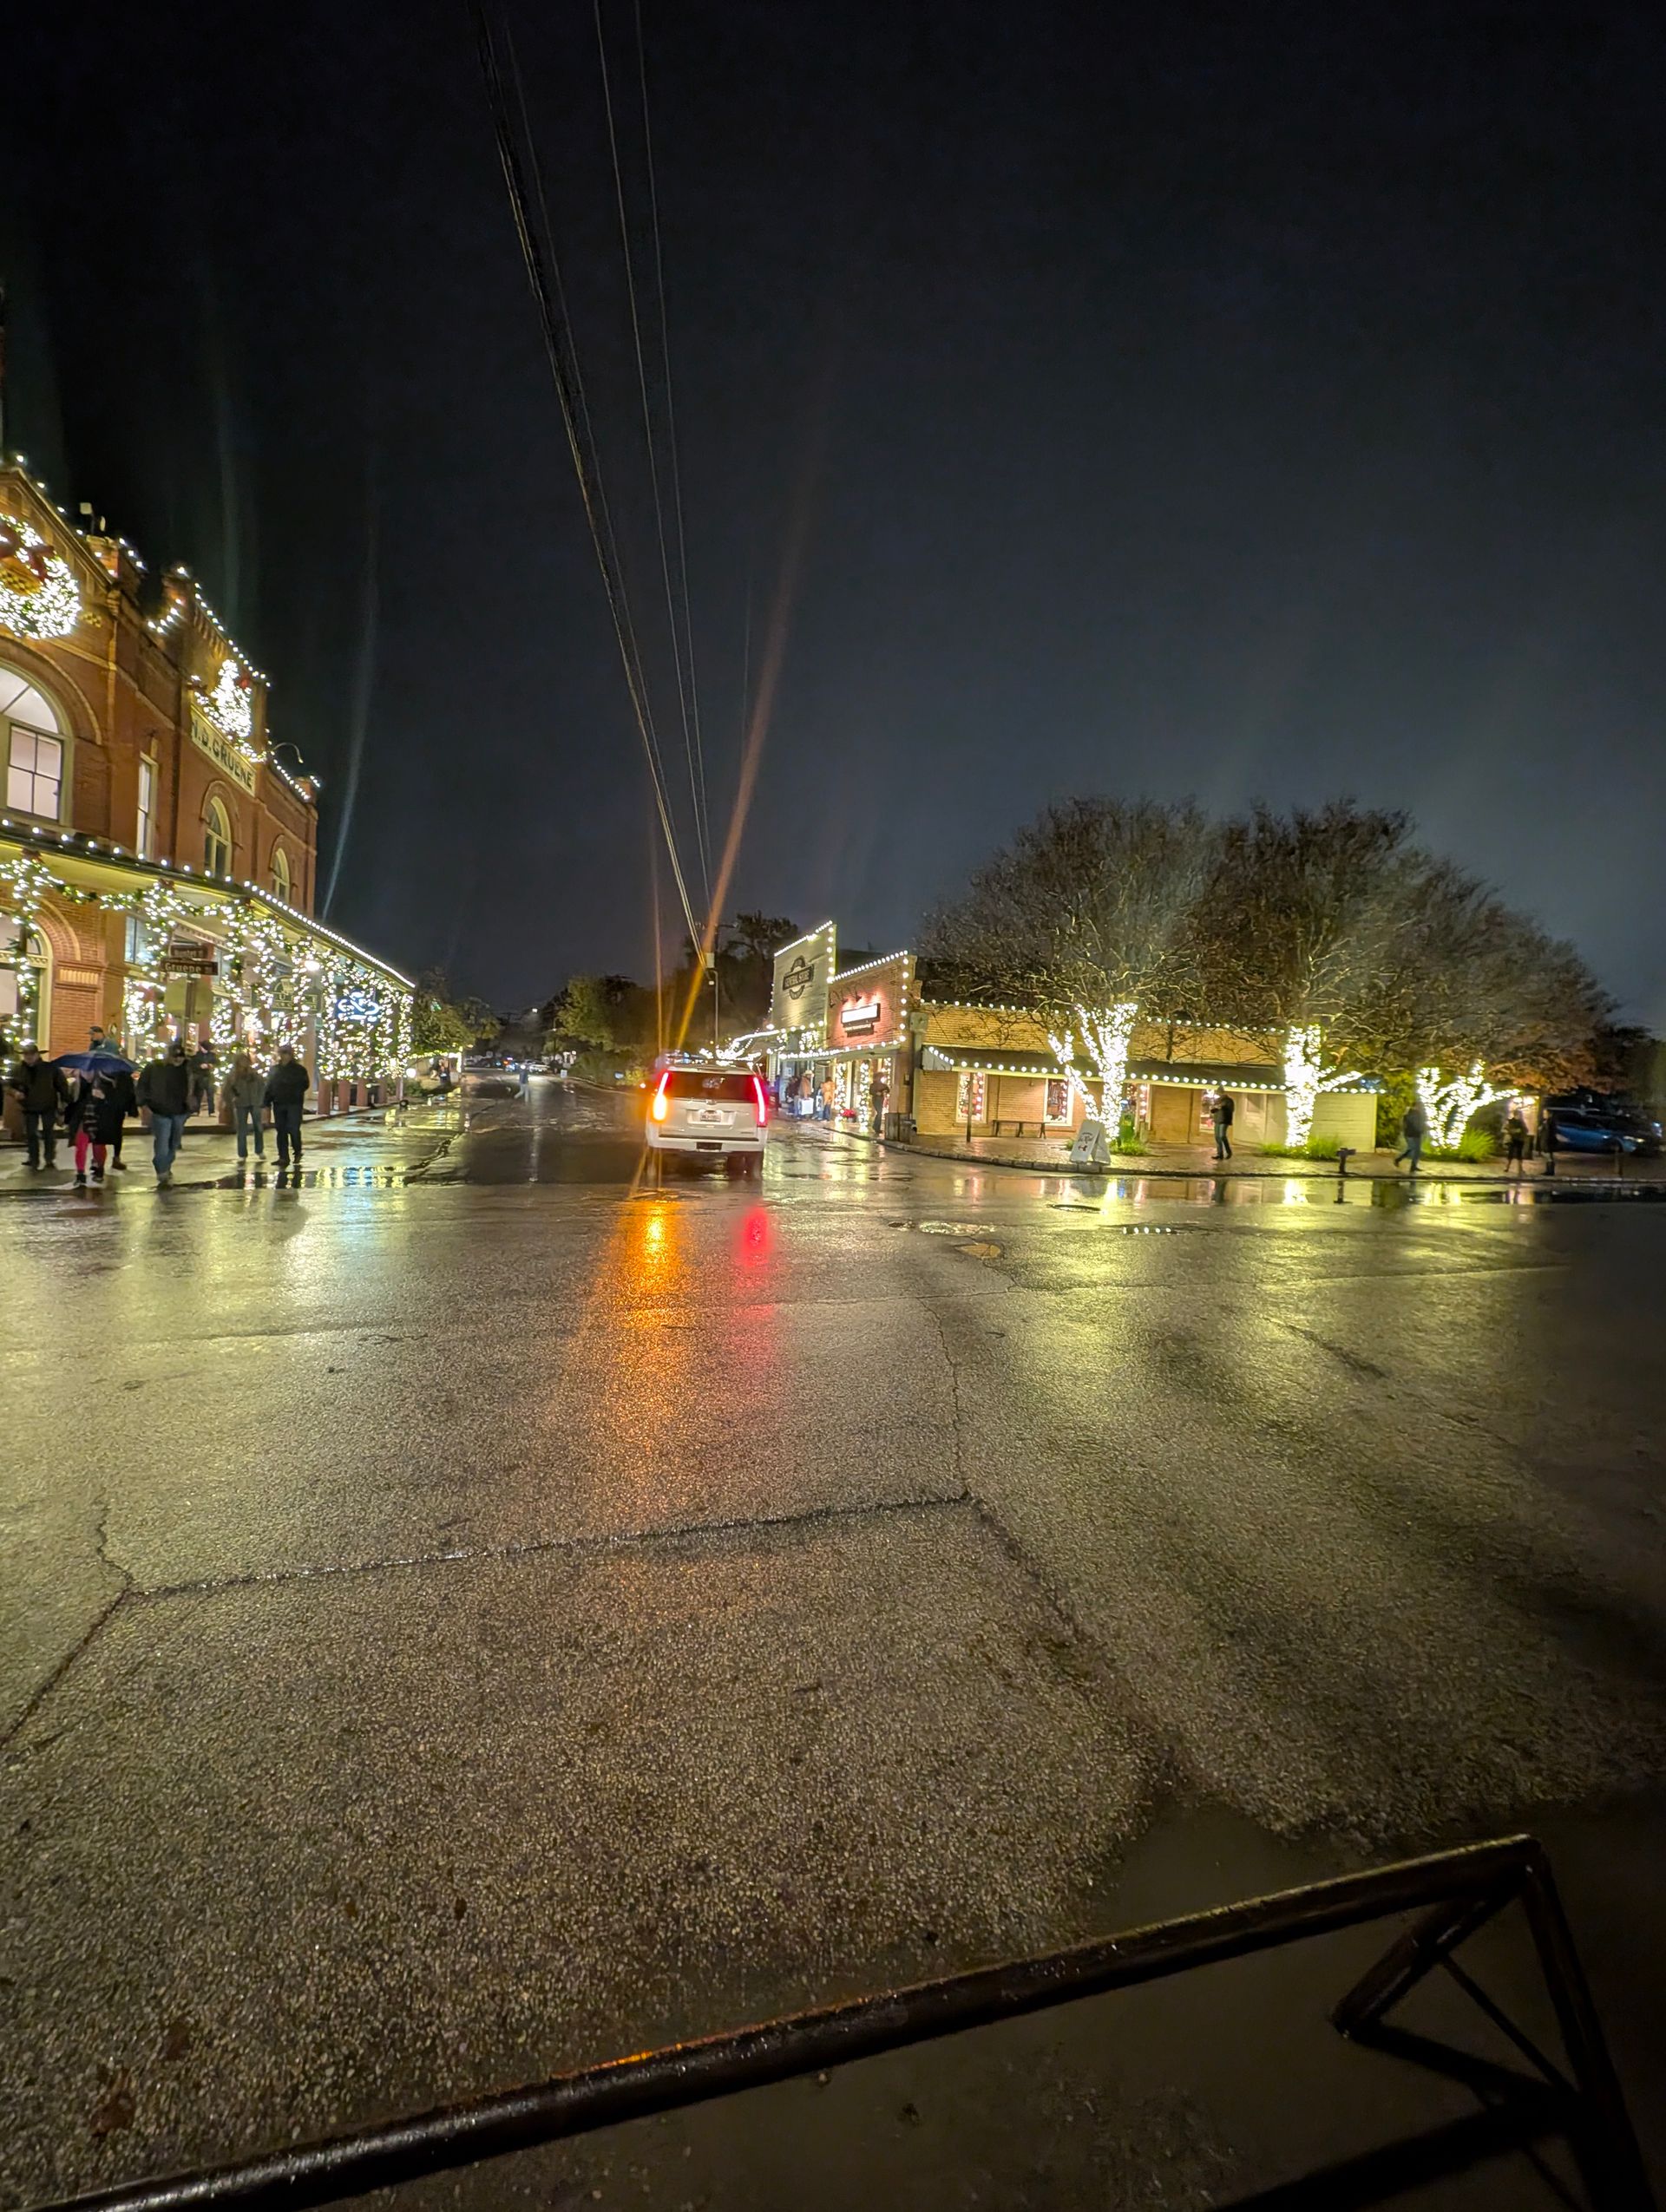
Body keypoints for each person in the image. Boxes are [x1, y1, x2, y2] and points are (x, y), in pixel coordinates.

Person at [136, 1041, 193, 1186]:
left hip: (180, 1111)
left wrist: (192, 1104)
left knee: (174, 1142)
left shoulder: (187, 1069)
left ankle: (166, 1166)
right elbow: (142, 1086)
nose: (178, 1060)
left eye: (181, 1057)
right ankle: (162, 1170)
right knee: (162, 1142)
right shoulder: (154, 1067)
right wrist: (144, 1104)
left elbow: (195, 1086)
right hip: (160, 1110)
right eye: (175, 1057)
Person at [6, 1042, 69, 1170]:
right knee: (31, 1134)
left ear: (37, 1055)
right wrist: (15, 1092)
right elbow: (8, 1085)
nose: (28, 1057)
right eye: (26, 1055)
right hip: (28, 1107)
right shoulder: (19, 1070)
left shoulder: (50, 1069)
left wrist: (64, 1105)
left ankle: (49, 1158)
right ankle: (33, 1158)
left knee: (48, 1133)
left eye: (31, 1054)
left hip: (48, 1105)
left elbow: (62, 1086)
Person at [65, 1068, 124, 1187]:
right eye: (85, 1070)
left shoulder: (105, 1081)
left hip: (99, 1117)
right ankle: (80, 1174)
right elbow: (70, 1102)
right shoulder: (75, 1083)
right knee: (81, 1145)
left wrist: (103, 1097)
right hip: (82, 1117)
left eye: (90, 1070)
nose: (87, 1073)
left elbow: (114, 1099)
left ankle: (100, 1169)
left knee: (99, 1145)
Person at [264, 1044, 311, 1173]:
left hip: (294, 1103)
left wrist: (294, 1092)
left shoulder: (299, 1070)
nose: (284, 1056)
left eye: (286, 1053)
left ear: (291, 1055)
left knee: (294, 1129)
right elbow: (269, 1085)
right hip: (279, 1103)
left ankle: (297, 1152)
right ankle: (283, 1157)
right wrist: (267, 1102)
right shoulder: (275, 1070)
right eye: (282, 1053)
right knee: (281, 1131)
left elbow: (305, 1084)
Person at [220, 1050, 266, 1164]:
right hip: (241, 1104)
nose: (244, 1063)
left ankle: (259, 1150)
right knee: (241, 1129)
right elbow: (226, 1090)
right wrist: (231, 1099)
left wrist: (260, 1100)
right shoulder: (233, 1076)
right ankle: (242, 1154)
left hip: (254, 1103)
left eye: (246, 1060)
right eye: (242, 1061)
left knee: (258, 1127)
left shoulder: (254, 1074)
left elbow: (262, 1087)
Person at [1395, 1097, 1428, 1174]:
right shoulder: (1410, 1113)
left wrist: (1423, 1129)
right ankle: (1398, 1159)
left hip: (1417, 1134)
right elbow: (1412, 1124)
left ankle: (1413, 1166)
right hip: (1410, 1134)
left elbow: (1421, 1123)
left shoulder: (1418, 1114)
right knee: (1411, 1148)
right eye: (1420, 1106)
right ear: (1416, 1106)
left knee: (1417, 1151)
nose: (1421, 1108)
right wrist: (1420, 1129)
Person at [188, 1040, 218, 1117]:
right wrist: (200, 1066)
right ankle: (196, 1110)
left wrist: (211, 1065)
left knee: (210, 1095)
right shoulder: (196, 1056)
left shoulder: (212, 1055)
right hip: (200, 1076)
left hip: (209, 1076)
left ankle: (211, 1111)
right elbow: (192, 1066)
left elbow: (217, 1063)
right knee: (198, 1094)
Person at [1210, 1086, 1236, 1161]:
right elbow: (1213, 1110)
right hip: (1217, 1120)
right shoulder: (1217, 1100)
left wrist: (1222, 1107)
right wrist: (1213, 1108)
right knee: (1217, 1137)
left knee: (1222, 1136)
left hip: (1224, 1120)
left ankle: (1228, 1152)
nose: (1219, 1094)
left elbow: (1231, 1110)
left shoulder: (1229, 1101)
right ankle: (1219, 1154)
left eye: (1219, 1093)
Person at [1504, 1107, 1530, 1175]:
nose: (1520, 1116)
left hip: (1520, 1140)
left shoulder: (1521, 1122)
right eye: (1519, 1115)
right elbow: (1506, 1129)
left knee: (1519, 1154)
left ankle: (1520, 1169)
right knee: (1511, 1154)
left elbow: (1526, 1130)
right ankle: (1507, 1167)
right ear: (1515, 1115)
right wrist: (1514, 1131)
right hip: (1513, 1139)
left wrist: (1521, 1131)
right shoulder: (1511, 1121)